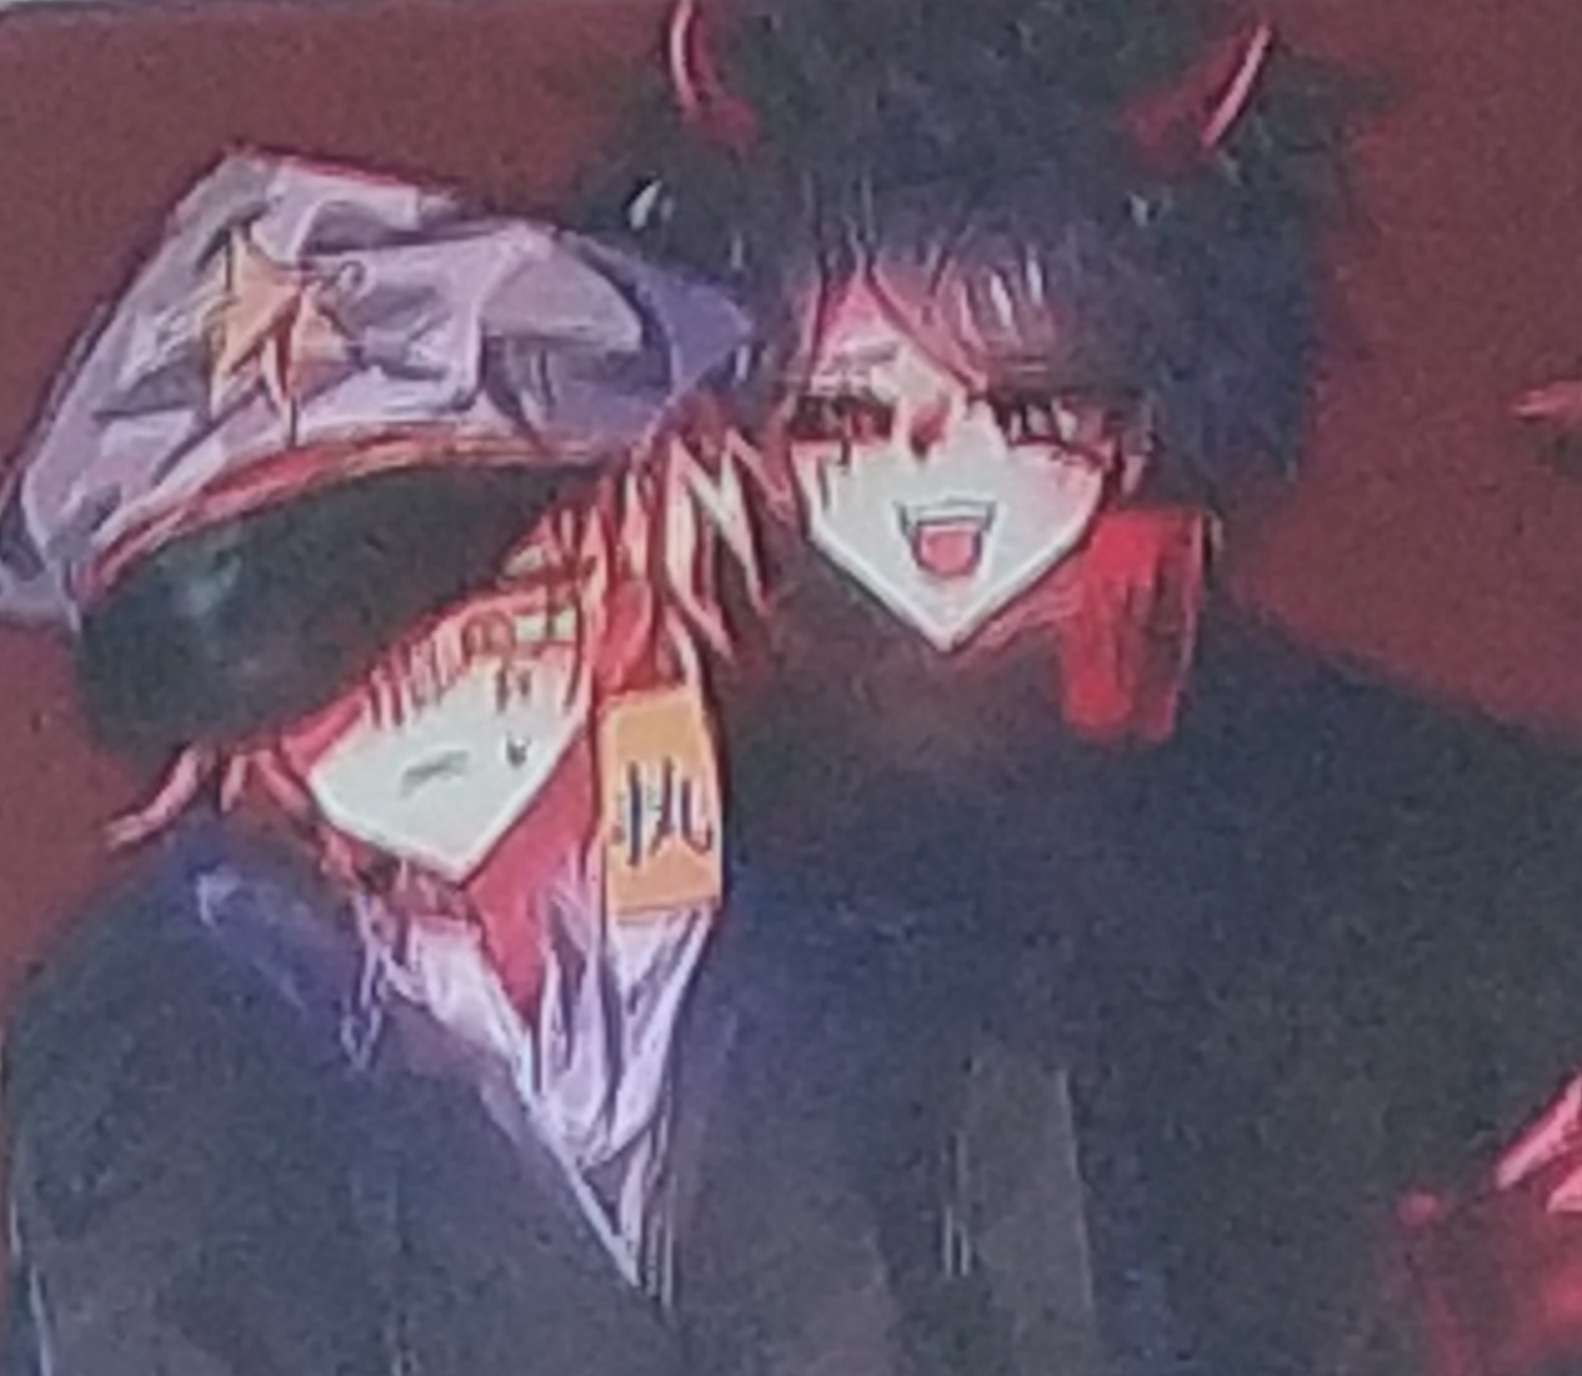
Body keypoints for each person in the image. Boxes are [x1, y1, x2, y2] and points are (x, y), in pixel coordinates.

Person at [573, 0, 1364, 1370]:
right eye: (845, 407)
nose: (935, 459)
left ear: (1149, 414)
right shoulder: (661, 769)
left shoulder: (1345, 789)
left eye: (1028, 400)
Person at [0, 149, 756, 1375]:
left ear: (622, 531)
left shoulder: (820, 903)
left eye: (465, 605)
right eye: (314, 660)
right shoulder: (157, 1045)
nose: (406, 695)